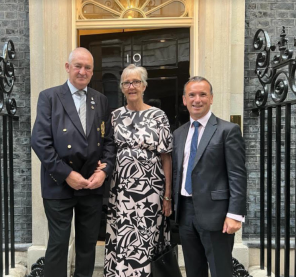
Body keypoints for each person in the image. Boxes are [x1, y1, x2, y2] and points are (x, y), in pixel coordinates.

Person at [31, 47, 116, 277]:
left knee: (87, 246)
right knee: (58, 245)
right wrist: (67, 174)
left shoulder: (100, 100)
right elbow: (39, 141)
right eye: (78, 66)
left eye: (87, 67)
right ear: (68, 67)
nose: (82, 71)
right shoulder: (49, 97)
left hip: (91, 185)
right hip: (59, 184)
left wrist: (104, 171)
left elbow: (109, 142)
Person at [172, 76, 247, 277]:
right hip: (186, 213)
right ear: (184, 100)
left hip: (218, 215)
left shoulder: (227, 131)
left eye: (203, 94)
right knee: (193, 271)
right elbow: (178, 171)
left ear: (211, 98)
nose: (197, 99)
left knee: (220, 271)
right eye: (192, 95)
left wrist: (235, 214)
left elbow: (237, 175)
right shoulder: (178, 134)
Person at [104, 64, 173, 277]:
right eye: (127, 82)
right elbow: (105, 149)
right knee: (123, 237)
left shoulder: (158, 116)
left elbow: (166, 156)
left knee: (146, 238)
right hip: (122, 191)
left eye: (136, 82)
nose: (131, 86)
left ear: (144, 86)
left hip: (151, 191)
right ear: (122, 87)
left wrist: (167, 195)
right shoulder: (114, 116)